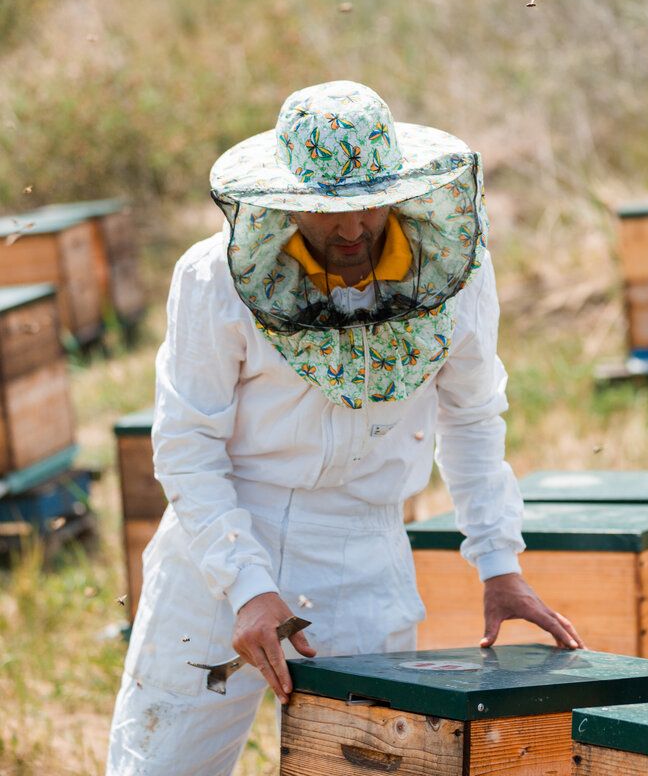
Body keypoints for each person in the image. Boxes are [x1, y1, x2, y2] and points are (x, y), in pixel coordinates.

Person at [107, 81, 581, 775]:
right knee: (161, 765)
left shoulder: (456, 274)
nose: (353, 229)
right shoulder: (215, 277)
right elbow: (187, 444)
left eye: (369, 205)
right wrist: (245, 584)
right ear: (287, 199)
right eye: (328, 213)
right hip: (223, 549)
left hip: (364, 553)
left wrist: (498, 561)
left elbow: (473, 418)